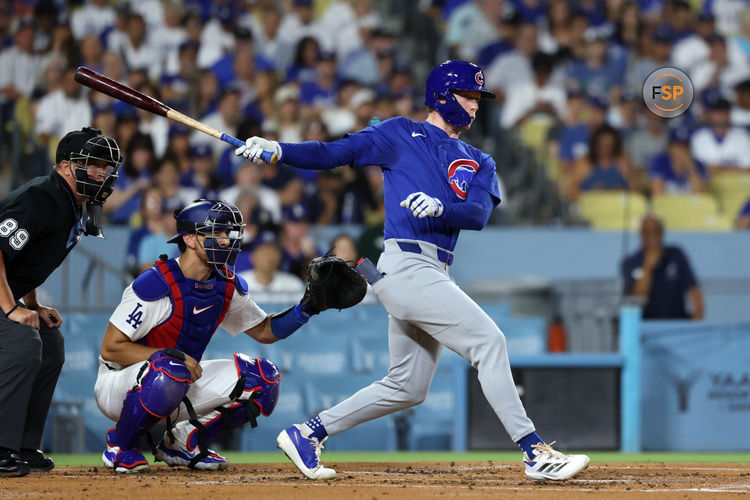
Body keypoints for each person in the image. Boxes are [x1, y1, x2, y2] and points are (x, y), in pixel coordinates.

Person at [236, 59, 590, 481]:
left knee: (408, 386)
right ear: (442, 95)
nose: (476, 107)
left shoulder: (480, 159)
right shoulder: (399, 132)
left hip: (435, 271)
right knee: (490, 342)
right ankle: (534, 451)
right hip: (405, 265)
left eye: (479, 99)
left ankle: (307, 432)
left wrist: (443, 207)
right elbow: (334, 152)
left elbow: (477, 214)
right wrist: (279, 149)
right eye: (468, 96)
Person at [95, 199, 324, 473]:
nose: (226, 241)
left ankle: (183, 442)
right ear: (190, 239)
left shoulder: (225, 284)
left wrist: (307, 308)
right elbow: (111, 348)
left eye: (228, 233)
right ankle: (120, 444)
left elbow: (265, 331)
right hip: (119, 384)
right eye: (217, 233)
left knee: (265, 378)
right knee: (172, 368)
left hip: (176, 381)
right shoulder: (156, 283)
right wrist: (172, 356)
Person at [0, 127, 122, 477]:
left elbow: (23, 261)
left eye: (108, 167)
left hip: (7, 290)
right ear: (67, 167)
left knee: (50, 343)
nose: (103, 174)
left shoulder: (71, 204)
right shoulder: (42, 197)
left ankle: (22, 445)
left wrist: (32, 304)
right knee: (22, 341)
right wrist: (10, 308)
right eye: (95, 165)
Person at [621, 214, 704, 320]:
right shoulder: (630, 263)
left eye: (656, 231)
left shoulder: (676, 255)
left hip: (677, 323)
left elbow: (694, 290)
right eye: (648, 232)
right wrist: (648, 266)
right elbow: (637, 297)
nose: (652, 237)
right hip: (648, 325)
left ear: (662, 232)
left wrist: (696, 320)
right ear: (641, 234)